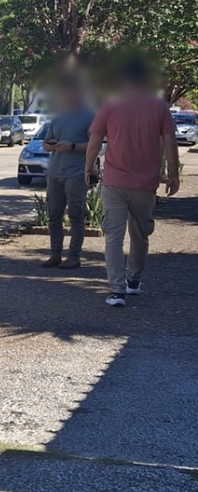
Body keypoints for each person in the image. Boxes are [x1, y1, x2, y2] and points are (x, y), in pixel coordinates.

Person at [86, 57, 180, 307]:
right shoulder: (159, 106)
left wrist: (88, 168)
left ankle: (117, 291)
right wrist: (173, 174)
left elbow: (95, 142)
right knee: (140, 235)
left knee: (113, 237)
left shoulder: (110, 106)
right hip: (145, 184)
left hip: (114, 181)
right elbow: (170, 142)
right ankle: (134, 281)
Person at [41, 74, 95, 270]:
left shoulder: (90, 115)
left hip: (76, 173)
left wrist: (72, 146)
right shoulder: (58, 116)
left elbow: (95, 145)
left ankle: (74, 256)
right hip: (55, 173)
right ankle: (55, 255)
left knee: (75, 215)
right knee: (54, 216)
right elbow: (46, 144)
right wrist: (50, 145)